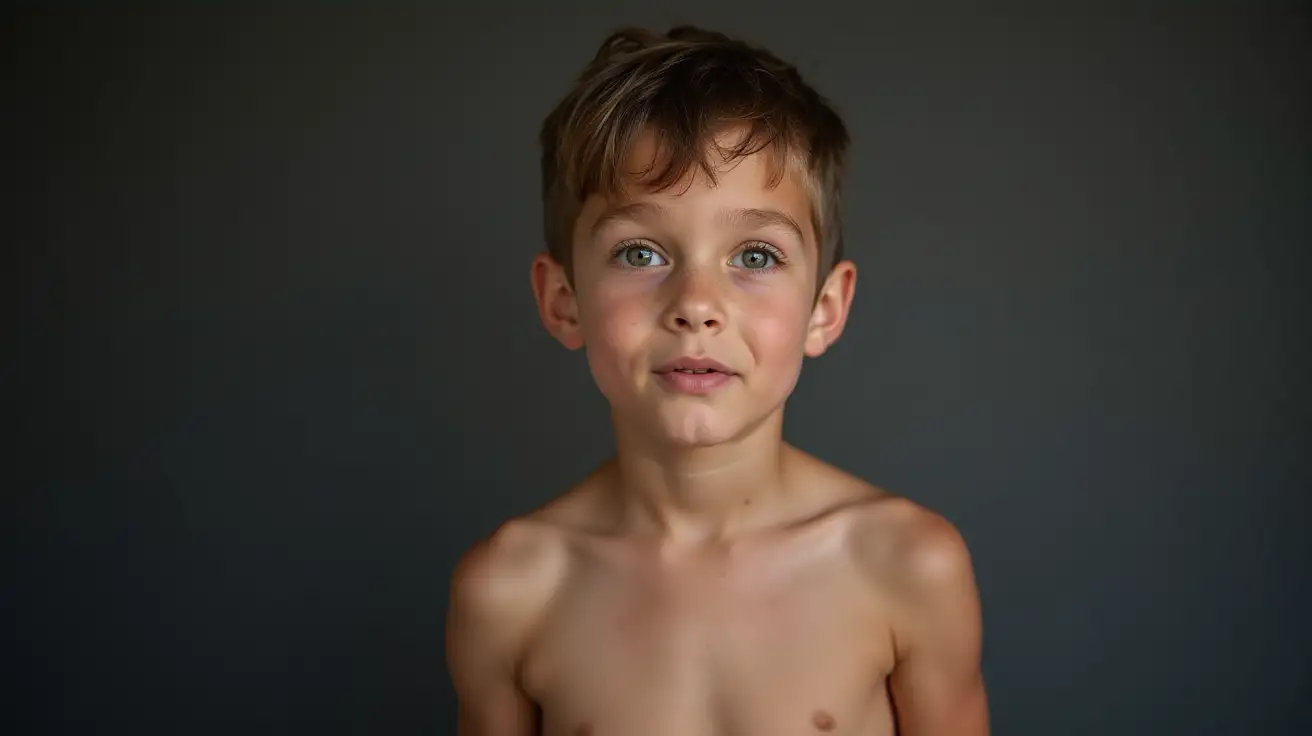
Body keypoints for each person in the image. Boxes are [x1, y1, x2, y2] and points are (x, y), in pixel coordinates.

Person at [446, 25, 988, 736]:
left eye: (756, 256)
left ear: (824, 311)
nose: (696, 304)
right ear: (562, 301)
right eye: (639, 251)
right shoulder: (511, 591)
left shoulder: (905, 566)